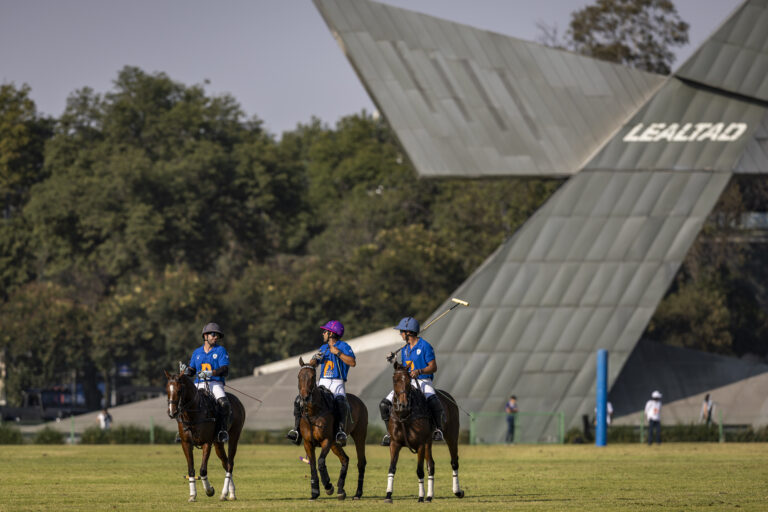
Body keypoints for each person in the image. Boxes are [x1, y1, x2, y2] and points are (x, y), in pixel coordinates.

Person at [286, 320, 356, 446]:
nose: (323, 333)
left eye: (325, 331)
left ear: (331, 333)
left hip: (337, 382)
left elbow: (352, 362)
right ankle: (296, 430)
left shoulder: (344, 346)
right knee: (299, 400)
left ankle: (340, 432)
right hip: (322, 381)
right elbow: (314, 364)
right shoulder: (323, 348)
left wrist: (338, 353)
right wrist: (314, 359)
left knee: (341, 402)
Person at [380, 316, 445, 446]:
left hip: (423, 381)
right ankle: (390, 433)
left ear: (408, 332)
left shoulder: (425, 346)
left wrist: (419, 371)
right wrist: (393, 360)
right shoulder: (404, 349)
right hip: (407, 383)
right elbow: (403, 368)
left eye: (402, 331)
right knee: (384, 405)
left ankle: (438, 429)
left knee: (433, 401)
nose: (400, 334)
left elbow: (433, 367)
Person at [185, 322, 232, 443]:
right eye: (213, 334)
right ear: (205, 336)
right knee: (184, 401)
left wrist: (209, 374)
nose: (215, 337)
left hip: (215, 384)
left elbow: (225, 369)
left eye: (217, 335)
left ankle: (222, 431)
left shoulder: (221, 350)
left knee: (224, 404)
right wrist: (185, 370)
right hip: (198, 384)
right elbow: (192, 370)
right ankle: (184, 430)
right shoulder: (197, 352)